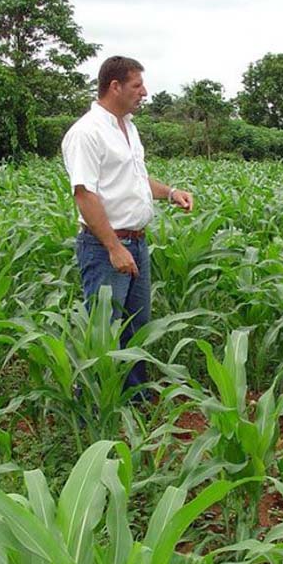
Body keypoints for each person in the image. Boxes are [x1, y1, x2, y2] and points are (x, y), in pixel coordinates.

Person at [61, 55, 193, 397]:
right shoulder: (87, 133)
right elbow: (84, 194)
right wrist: (113, 247)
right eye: (137, 85)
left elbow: (135, 179)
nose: (144, 92)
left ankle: (135, 399)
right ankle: (92, 407)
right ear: (114, 86)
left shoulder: (128, 127)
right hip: (106, 247)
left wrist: (171, 193)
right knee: (103, 330)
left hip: (136, 243)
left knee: (136, 327)